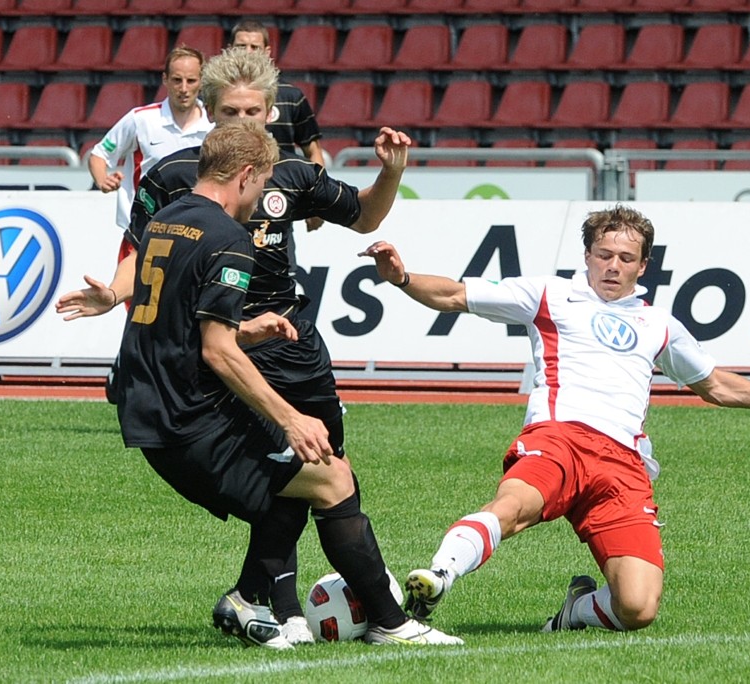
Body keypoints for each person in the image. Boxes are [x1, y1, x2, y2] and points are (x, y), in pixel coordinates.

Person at [56, 48, 414, 646]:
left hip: (291, 342)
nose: (242, 122)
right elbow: (141, 251)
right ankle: (294, 608)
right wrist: (115, 296)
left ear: (271, 112)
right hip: (223, 344)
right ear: (209, 110)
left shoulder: (291, 173)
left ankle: (256, 599)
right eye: (229, 111)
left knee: (309, 477)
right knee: (295, 473)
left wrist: (392, 172)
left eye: (253, 111)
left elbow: (366, 216)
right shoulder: (174, 175)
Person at [359, 205, 750, 635]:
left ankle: (577, 610)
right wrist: (402, 278)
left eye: (625, 258)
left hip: (623, 465)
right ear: (588, 256)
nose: (613, 266)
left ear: (644, 265)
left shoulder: (660, 323)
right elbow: (454, 295)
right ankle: (439, 576)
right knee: (513, 506)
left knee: (638, 607)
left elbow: (717, 386)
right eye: (604, 255)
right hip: (559, 440)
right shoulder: (549, 295)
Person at [101, 120, 461, 650]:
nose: (262, 198)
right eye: (261, 182)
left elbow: (183, 324)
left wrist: (247, 328)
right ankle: (390, 622)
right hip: (185, 415)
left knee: (296, 487)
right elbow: (215, 352)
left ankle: (250, 599)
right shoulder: (230, 236)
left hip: (151, 403)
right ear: (245, 175)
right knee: (331, 478)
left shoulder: (169, 217)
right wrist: (291, 418)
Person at [88, 46, 214, 244]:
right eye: (176, 80)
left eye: (191, 81)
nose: (183, 88)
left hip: (196, 233)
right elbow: (100, 154)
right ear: (165, 79)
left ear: (201, 81)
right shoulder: (141, 120)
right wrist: (102, 179)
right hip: (141, 231)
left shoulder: (213, 125)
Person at [230, 17, 328, 263]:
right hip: (226, 203)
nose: (249, 53)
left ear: (267, 52)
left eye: (255, 47)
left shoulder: (291, 96)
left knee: (279, 283)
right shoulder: (217, 95)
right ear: (231, 50)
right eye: (242, 47)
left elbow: (313, 150)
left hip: (276, 203)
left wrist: (319, 200)